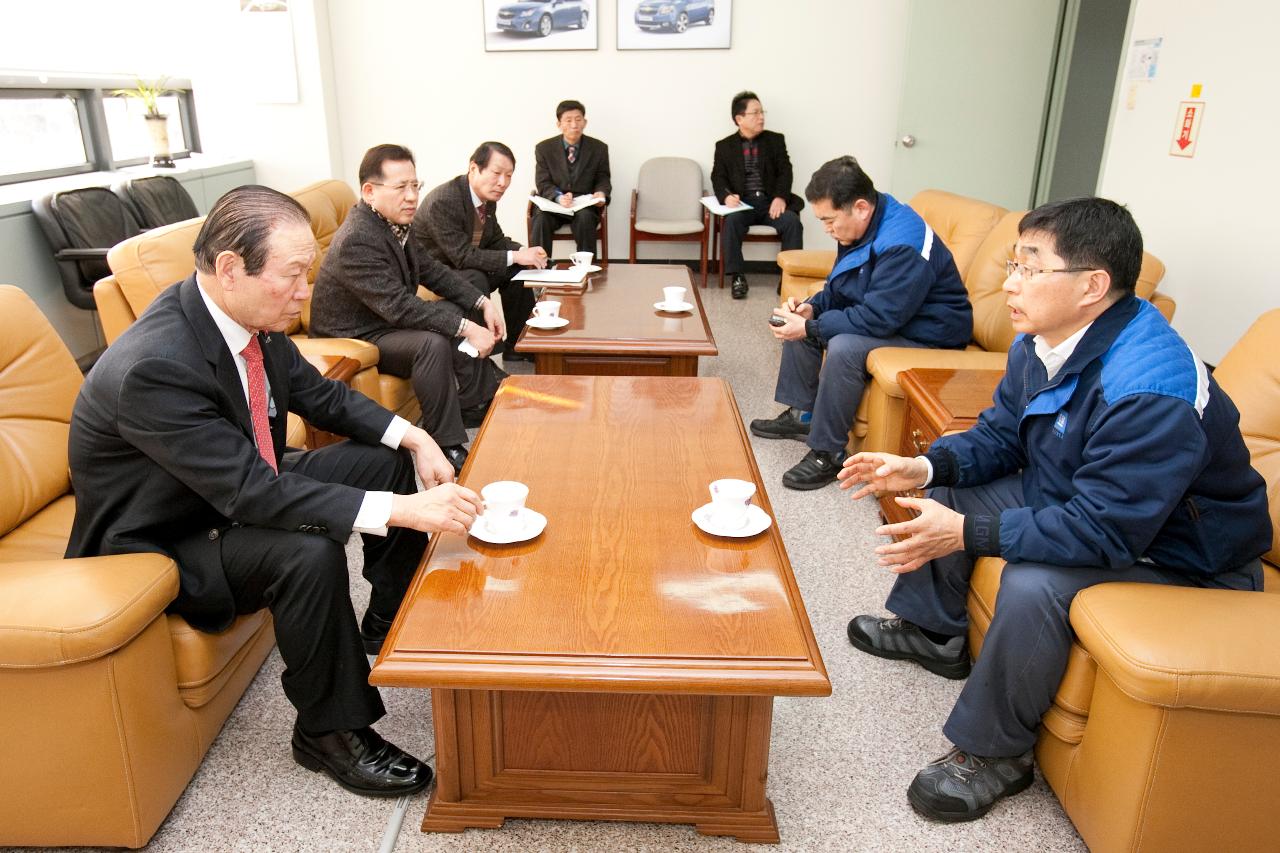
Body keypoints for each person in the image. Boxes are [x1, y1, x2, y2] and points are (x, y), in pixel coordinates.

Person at [839, 197, 1272, 822]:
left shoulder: (1151, 388)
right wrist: (928, 466)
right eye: (1013, 264)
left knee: (1036, 579)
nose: (1008, 283)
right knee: (953, 489)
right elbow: (1000, 436)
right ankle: (934, 633)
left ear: (1092, 285)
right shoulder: (1043, 340)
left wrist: (969, 533)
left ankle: (995, 755)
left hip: (1182, 552)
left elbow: (1104, 531)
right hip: (1085, 497)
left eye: (1029, 268)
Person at [65, 185, 485, 799]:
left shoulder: (245, 318)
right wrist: (406, 512)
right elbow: (251, 494)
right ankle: (329, 732)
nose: (305, 292)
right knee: (307, 553)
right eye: (291, 276)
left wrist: (414, 438)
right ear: (231, 267)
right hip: (168, 532)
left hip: (230, 488)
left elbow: (321, 396)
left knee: (385, 463)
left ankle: (386, 621)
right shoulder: (155, 367)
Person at [750, 156, 972, 490]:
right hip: (895, 317)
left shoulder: (902, 243)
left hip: (929, 332)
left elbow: (877, 319)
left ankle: (828, 452)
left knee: (844, 346)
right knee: (804, 317)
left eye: (829, 220)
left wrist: (810, 327)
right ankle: (802, 416)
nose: (826, 229)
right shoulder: (862, 225)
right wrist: (811, 309)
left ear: (861, 207)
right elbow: (844, 285)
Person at [310, 144, 507, 474]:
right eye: (401, 187)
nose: (412, 196)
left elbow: (431, 269)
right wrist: (468, 327)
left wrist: (481, 301)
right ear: (369, 191)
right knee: (431, 342)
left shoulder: (394, 224)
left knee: (457, 306)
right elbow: (400, 306)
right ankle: (445, 443)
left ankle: (476, 398)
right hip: (354, 335)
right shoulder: (357, 238)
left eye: (415, 185)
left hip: (383, 320)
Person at [413, 142, 547, 361]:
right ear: (474, 168)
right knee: (476, 277)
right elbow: (462, 256)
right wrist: (515, 255)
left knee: (516, 269)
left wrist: (524, 251)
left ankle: (520, 345)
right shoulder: (444, 201)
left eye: (509, 176)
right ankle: (483, 357)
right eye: (496, 173)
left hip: (465, 267)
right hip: (438, 275)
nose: (503, 183)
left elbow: (495, 240)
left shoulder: (486, 199)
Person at [710, 91, 804, 299]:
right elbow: (718, 177)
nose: (762, 117)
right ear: (739, 119)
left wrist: (780, 197)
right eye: (756, 113)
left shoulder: (775, 141)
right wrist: (726, 197)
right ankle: (737, 277)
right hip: (743, 205)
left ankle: (789, 278)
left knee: (792, 222)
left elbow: (785, 171)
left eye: (762, 112)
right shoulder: (724, 146)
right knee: (731, 222)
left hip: (771, 203)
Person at [531, 99, 611, 260]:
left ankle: (586, 271)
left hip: (583, 205)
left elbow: (603, 177)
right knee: (540, 218)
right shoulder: (544, 149)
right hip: (554, 204)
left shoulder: (599, 148)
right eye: (568, 120)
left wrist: (601, 193)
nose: (574, 125)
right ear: (559, 124)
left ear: (585, 122)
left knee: (586, 219)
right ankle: (539, 269)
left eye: (578, 119)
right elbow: (542, 182)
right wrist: (559, 197)